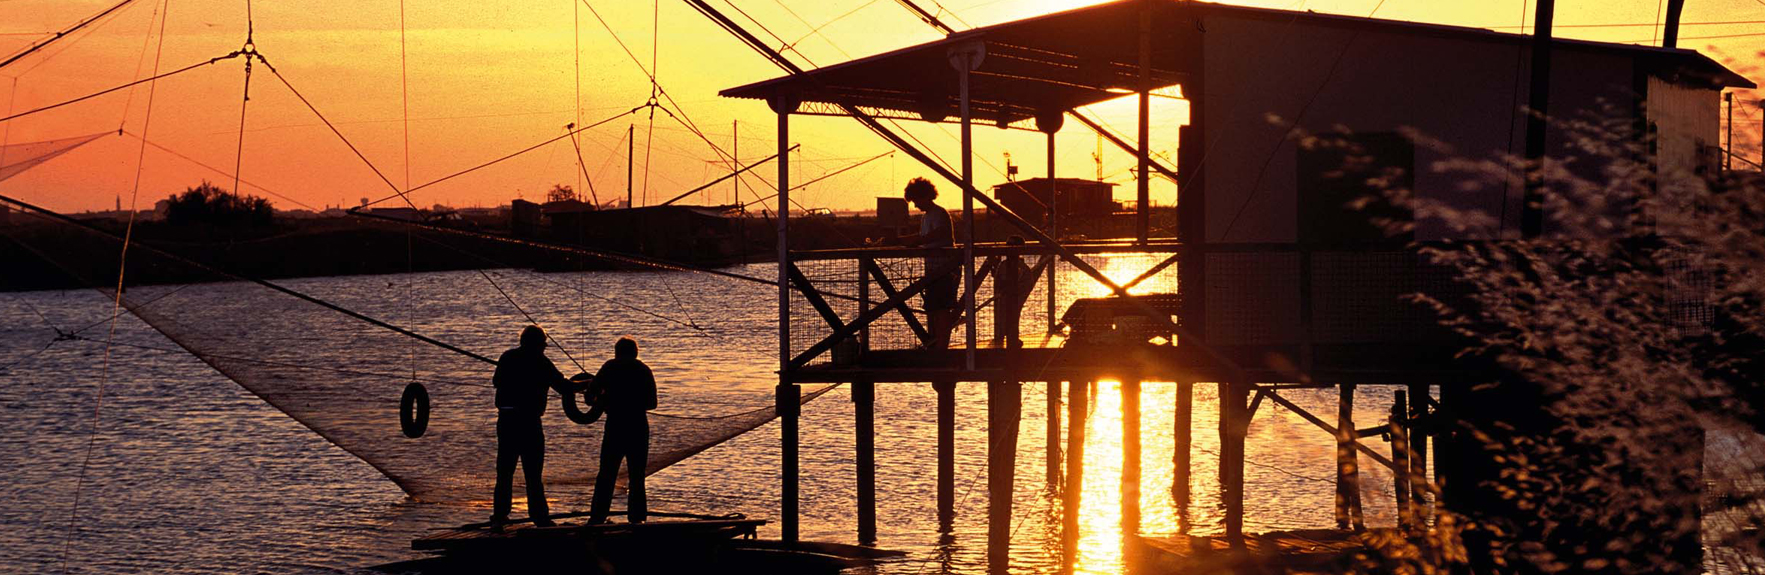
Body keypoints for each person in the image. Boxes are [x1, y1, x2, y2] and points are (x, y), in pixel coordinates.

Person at [490, 325, 576, 528]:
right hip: (529, 422)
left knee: (505, 471)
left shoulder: (507, 357)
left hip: (507, 420)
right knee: (533, 472)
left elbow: (496, 381)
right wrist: (587, 385)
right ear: (537, 344)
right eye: (543, 345)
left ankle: (500, 516)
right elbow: (563, 387)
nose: (544, 348)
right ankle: (540, 517)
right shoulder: (541, 362)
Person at [880, 177, 960, 348]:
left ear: (925, 196)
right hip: (932, 271)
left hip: (945, 270)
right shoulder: (926, 218)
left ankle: (942, 348)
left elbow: (938, 234)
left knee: (942, 309)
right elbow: (922, 238)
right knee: (932, 308)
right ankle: (934, 344)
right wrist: (897, 240)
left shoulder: (940, 214)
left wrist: (914, 241)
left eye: (916, 200)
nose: (915, 205)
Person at [586, 336, 658, 524]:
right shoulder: (643, 370)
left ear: (617, 352)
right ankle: (637, 521)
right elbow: (652, 403)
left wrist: (604, 399)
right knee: (637, 477)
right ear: (635, 353)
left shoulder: (609, 367)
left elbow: (589, 397)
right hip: (638, 427)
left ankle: (597, 519)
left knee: (606, 474)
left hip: (615, 426)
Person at [993, 235, 1032, 349]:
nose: (1009, 248)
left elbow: (1026, 285)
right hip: (1008, 295)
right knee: (1008, 316)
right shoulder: (1004, 265)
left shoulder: (1022, 268)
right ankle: (1011, 338)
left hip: (1015, 296)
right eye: (1008, 246)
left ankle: (1011, 339)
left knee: (1012, 316)